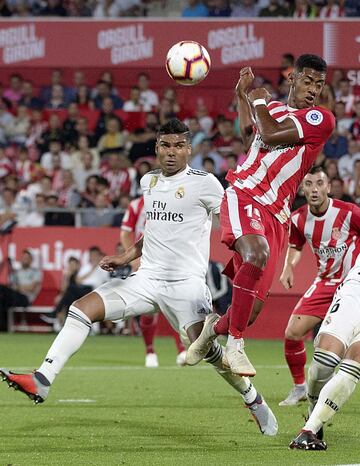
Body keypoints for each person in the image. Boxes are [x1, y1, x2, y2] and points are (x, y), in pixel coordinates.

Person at [0, 119, 278, 437]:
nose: (171, 152)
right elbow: (153, 231)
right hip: (145, 279)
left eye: (177, 146)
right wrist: (125, 256)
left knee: (210, 352)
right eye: (164, 145)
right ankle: (43, 379)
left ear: (188, 149)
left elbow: (234, 224)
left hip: (186, 285)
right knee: (81, 308)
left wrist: (255, 260)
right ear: (156, 148)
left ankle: (252, 398)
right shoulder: (148, 182)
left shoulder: (207, 185)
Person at [186, 54, 335, 377]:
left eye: (319, 84)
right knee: (256, 253)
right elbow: (249, 137)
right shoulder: (272, 109)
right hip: (245, 192)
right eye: (307, 81)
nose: (313, 89)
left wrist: (257, 101)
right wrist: (244, 97)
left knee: (250, 309)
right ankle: (235, 345)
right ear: (292, 79)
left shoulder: (319, 118)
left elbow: (268, 134)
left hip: (277, 214)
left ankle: (213, 329)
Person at [278, 167, 360, 406]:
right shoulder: (298, 218)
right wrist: (288, 267)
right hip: (324, 283)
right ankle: (300, 388)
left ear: (328, 187)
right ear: (302, 189)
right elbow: (296, 245)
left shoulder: (349, 212)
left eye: (319, 183)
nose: (314, 189)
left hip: (353, 284)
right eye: (308, 184)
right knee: (292, 333)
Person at [289, 253, 360, 450]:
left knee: (355, 362)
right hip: (355, 291)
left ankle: (308, 430)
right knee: (325, 360)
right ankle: (314, 411)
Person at [120, 195, 186, 367]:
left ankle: (181, 349)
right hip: (145, 259)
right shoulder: (136, 205)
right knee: (148, 308)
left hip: (169, 259)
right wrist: (133, 259)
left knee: (174, 303)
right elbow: (126, 233)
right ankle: (149, 351)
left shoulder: (173, 202)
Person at [0, 249, 42, 331]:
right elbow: (12, 287)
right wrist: (21, 287)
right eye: (23, 258)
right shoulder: (16, 272)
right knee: (1, 298)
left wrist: (18, 287)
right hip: (15, 296)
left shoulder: (36, 272)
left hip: (26, 298)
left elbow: (32, 288)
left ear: (31, 260)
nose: (25, 260)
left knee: (3, 291)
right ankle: (3, 327)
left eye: (27, 258)